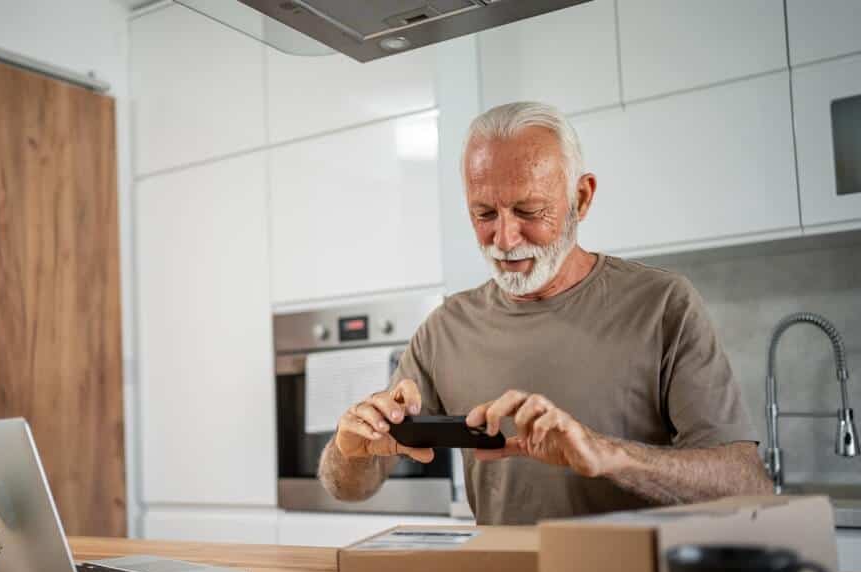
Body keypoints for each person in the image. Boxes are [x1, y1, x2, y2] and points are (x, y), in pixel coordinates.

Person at [317, 101, 772, 524]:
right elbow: (349, 487)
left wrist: (608, 455)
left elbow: (747, 486)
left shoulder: (662, 304)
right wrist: (347, 449)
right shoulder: (445, 328)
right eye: (484, 213)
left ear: (582, 197)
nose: (505, 238)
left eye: (529, 210)